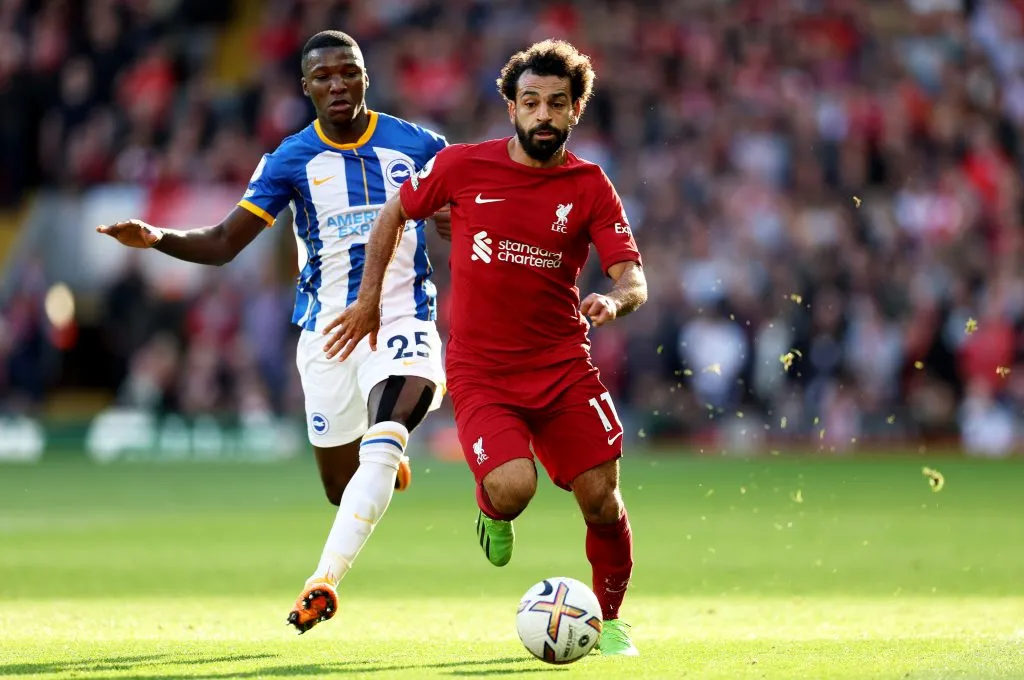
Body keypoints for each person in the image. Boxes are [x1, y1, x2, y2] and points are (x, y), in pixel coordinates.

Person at [97, 30, 450, 634]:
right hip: (327, 335)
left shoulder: (419, 145)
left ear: (366, 77)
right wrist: (157, 238)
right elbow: (223, 243)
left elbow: (476, 203)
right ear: (306, 87)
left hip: (402, 316)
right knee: (341, 488)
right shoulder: (291, 159)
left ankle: (323, 579)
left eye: (348, 72)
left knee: (386, 431)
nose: (338, 85)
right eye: (323, 76)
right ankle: (383, 458)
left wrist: (456, 214)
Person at [323, 39, 646, 656]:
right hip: (483, 373)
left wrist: (614, 300)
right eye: (532, 101)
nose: (544, 114)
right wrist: (368, 303)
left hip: (563, 368)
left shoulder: (590, 186)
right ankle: (492, 510)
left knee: (602, 500)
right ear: (511, 107)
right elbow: (394, 212)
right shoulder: (462, 167)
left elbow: (633, 277)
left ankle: (609, 622)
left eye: (557, 103)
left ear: (576, 110)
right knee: (513, 488)